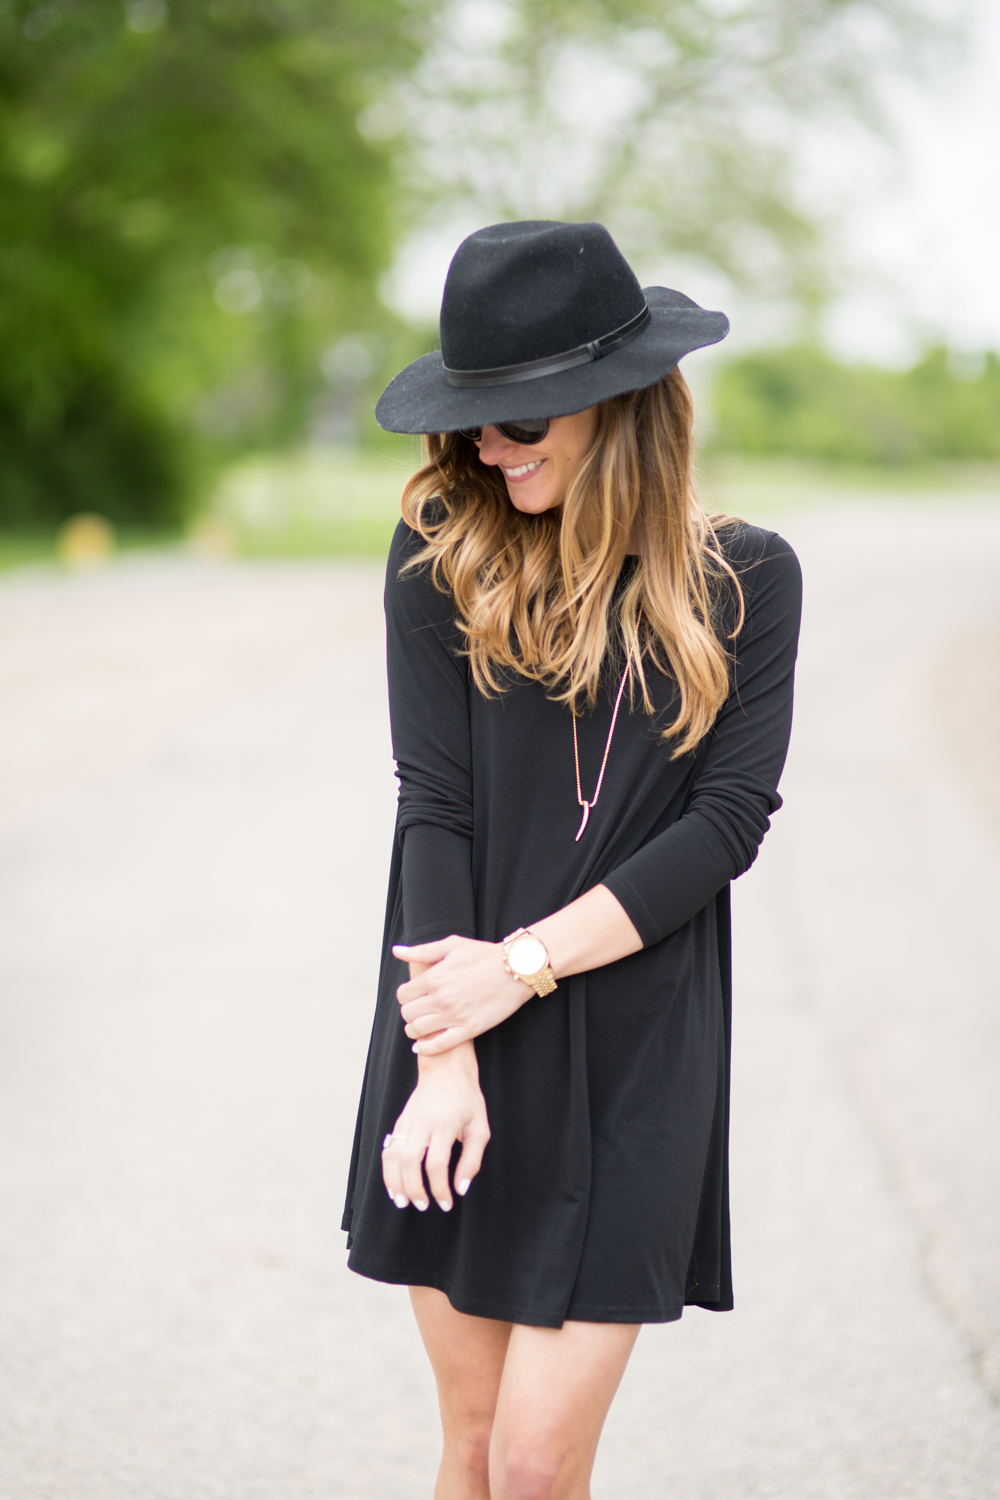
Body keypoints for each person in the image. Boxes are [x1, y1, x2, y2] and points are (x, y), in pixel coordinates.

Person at [342, 220, 802, 1500]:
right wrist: (445, 1056)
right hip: (456, 1035)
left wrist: (525, 966)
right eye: (470, 425)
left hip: (634, 1037)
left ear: (611, 405)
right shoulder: (442, 551)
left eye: (518, 424)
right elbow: (431, 801)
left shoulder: (750, 581)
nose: (487, 451)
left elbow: (725, 825)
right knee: (478, 1445)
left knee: (542, 1463)